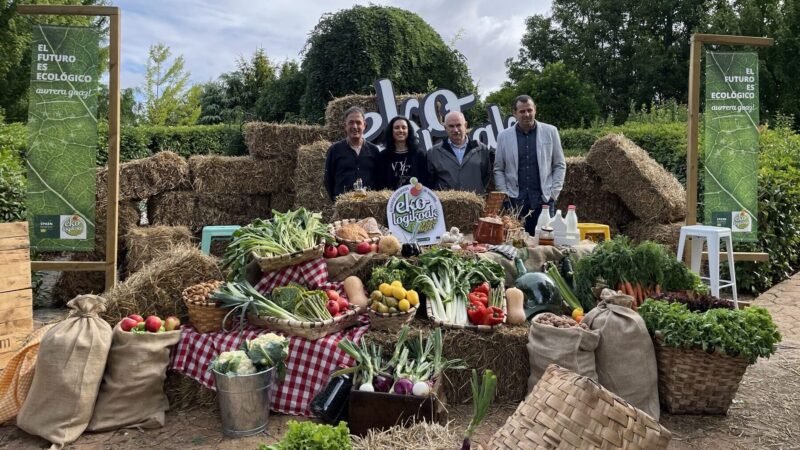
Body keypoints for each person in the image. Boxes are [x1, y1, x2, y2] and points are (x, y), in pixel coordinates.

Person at [494, 95, 566, 234]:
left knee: (545, 242)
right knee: (515, 243)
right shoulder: (504, 136)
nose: (526, 114)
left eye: (529, 110)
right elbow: (498, 169)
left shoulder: (550, 131)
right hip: (515, 202)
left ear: (535, 110)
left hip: (543, 200)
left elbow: (559, 164)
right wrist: (504, 193)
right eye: (522, 111)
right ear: (514, 113)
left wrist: (553, 193)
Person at [323, 106, 381, 200]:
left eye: (358, 123)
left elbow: (379, 179)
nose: (355, 126)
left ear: (364, 126)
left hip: (368, 205)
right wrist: (336, 199)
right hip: (344, 206)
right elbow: (328, 180)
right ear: (345, 126)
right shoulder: (334, 150)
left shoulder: (374, 150)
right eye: (351, 122)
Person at [426, 111, 491, 194]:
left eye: (458, 125)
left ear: (465, 125)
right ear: (445, 128)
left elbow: (486, 177)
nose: (455, 130)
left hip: (474, 204)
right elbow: (430, 182)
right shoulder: (434, 153)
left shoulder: (481, 149)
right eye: (451, 126)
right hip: (446, 205)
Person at [376, 116, 429, 190]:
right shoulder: (383, 156)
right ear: (391, 131)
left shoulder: (419, 154)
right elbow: (379, 183)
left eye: (404, 127)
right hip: (390, 200)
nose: (401, 130)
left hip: (415, 197)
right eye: (396, 127)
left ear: (409, 131)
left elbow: (425, 181)